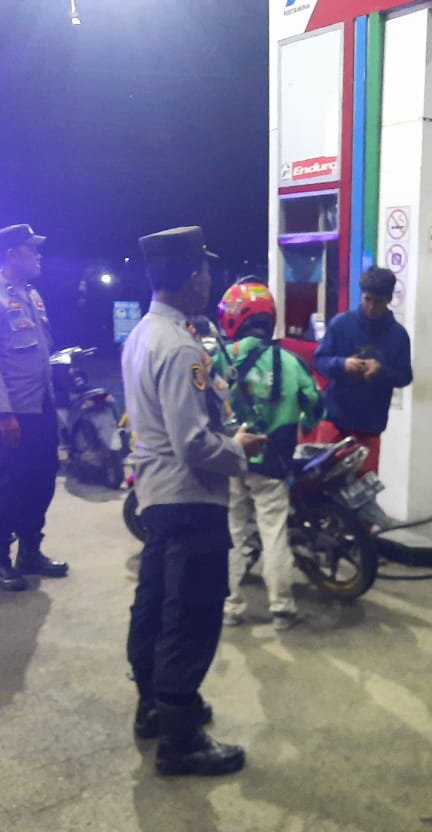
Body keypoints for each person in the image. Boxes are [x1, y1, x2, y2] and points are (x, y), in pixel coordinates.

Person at [121, 225, 267, 777]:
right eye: (204, 270)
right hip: (190, 499)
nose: (209, 279)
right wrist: (239, 450)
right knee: (193, 614)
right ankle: (180, 741)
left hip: (156, 496)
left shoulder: (142, 335)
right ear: (191, 278)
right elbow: (194, 444)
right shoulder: (182, 347)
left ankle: (153, 707)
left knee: (156, 604)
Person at [213, 279, 324, 631]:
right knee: (274, 532)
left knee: (231, 533)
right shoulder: (290, 362)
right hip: (273, 463)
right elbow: (316, 403)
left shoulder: (220, 358)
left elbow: (204, 404)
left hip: (229, 459)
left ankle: (230, 607)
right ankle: (281, 609)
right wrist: (306, 423)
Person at [0, 223, 69, 592]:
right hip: (10, 415)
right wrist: (3, 414)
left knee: (41, 483)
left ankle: (30, 552)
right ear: (12, 254)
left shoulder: (32, 296)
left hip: (40, 408)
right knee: (6, 488)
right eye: (31, 248)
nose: (38, 255)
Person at [311, 266, 413, 475]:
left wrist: (381, 371)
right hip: (334, 423)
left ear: (389, 299)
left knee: (363, 488)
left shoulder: (398, 336)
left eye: (378, 301)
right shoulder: (340, 324)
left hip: (370, 429)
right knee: (321, 484)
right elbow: (319, 360)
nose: (371, 307)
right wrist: (342, 364)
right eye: (367, 299)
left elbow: (405, 376)